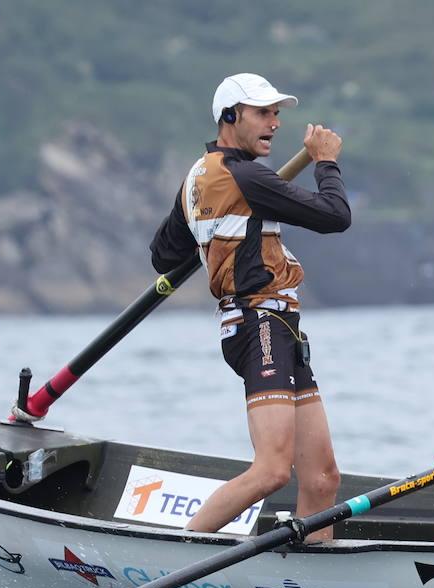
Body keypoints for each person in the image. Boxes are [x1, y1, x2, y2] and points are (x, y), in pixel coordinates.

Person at [149, 73, 351, 540]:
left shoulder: (198, 179)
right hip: (258, 323)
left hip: (281, 326)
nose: (275, 123)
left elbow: (164, 256)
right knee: (272, 471)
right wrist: (326, 162)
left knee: (323, 479)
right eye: (263, 113)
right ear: (229, 117)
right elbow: (335, 215)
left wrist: (223, 227)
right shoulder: (245, 175)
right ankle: (179, 551)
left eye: (277, 113)